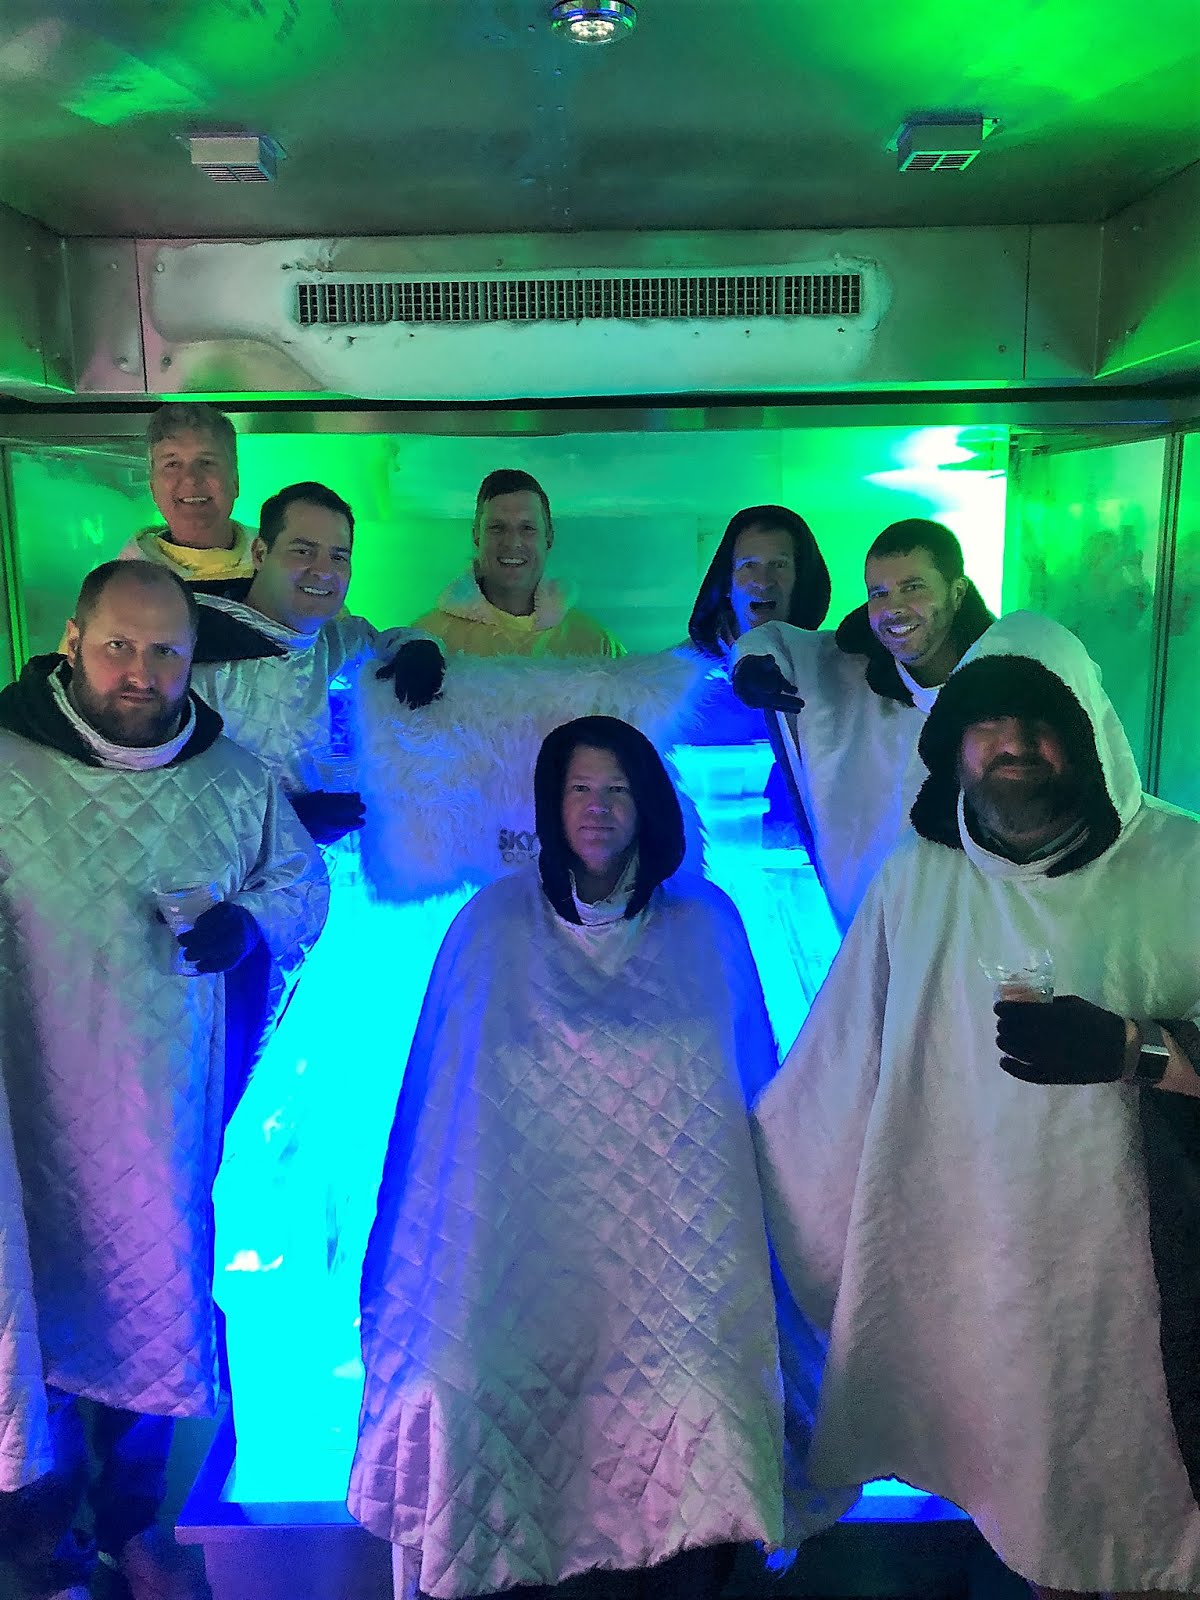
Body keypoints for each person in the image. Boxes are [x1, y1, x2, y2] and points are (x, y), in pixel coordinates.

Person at [752, 610, 1200, 1600]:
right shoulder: (920, 879)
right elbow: (835, 1069)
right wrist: (730, 1160)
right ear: (951, 740)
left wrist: (1132, 1049)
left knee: (1149, 1509)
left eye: (1043, 722)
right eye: (987, 722)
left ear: (1089, 732)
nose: (1014, 745)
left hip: (1141, 1273)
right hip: (982, 1260)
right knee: (1025, 1494)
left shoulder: (1184, 866)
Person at [350, 715, 850, 1600]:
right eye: (580, 788)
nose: (597, 807)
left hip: (685, 1277)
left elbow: (754, 1097)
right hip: (512, 1269)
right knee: (455, 1387)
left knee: (708, 1399)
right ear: (551, 802)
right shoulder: (489, 927)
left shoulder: (708, 925)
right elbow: (439, 1119)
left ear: (648, 803)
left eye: (617, 789)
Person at [0, 560, 328, 1600]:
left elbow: (301, 881)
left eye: (165, 651)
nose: (141, 671)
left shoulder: (231, 778)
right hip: (25, 1097)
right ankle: (39, 1545)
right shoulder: (5, 765)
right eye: (118, 646)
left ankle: (133, 1526)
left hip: (159, 1108)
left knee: (151, 1300)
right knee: (30, 1307)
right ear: (72, 640)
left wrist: (250, 925)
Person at [732, 516, 993, 930]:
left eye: (913, 587)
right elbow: (780, 641)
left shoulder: (1005, 686)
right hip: (873, 926)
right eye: (879, 593)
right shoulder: (855, 676)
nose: (894, 608)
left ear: (957, 592)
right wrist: (750, 665)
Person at [191, 479, 444, 847]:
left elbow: (385, 641)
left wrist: (419, 647)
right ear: (259, 553)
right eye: (303, 551)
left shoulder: (334, 642)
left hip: (308, 875)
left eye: (338, 556)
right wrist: (287, 821)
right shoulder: (192, 649)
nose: (323, 571)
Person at [413, 469, 622, 657]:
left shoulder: (596, 646)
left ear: (548, 537)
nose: (512, 543)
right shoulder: (426, 643)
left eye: (527, 528)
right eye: (497, 527)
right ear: (476, 535)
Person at [123, 403, 255, 587]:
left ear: (235, 481)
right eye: (172, 464)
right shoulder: (123, 582)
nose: (190, 478)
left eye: (206, 462)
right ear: (152, 487)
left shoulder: (279, 561)